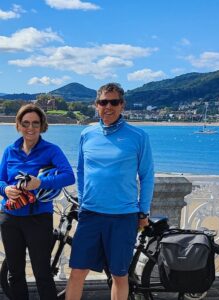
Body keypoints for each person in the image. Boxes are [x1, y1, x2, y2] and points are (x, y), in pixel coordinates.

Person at [65, 82, 154, 300]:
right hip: (90, 214)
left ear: (122, 105)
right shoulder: (87, 134)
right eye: (103, 102)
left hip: (123, 216)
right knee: (77, 271)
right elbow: (82, 170)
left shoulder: (138, 136)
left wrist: (142, 212)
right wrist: (83, 200)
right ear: (96, 105)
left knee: (119, 275)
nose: (108, 106)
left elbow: (147, 175)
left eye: (114, 102)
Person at [0, 104, 75, 300]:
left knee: (42, 274)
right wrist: (5, 189)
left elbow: (69, 176)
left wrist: (40, 182)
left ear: (42, 125)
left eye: (35, 123)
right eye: (25, 123)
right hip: (10, 218)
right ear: (18, 125)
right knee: (14, 274)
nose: (30, 128)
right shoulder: (10, 150)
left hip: (38, 218)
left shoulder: (51, 150)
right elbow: (0, 180)